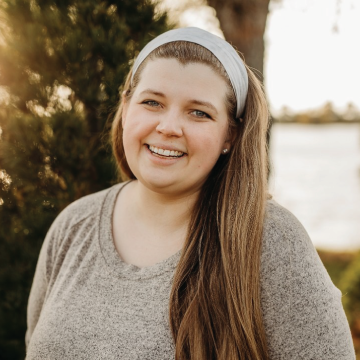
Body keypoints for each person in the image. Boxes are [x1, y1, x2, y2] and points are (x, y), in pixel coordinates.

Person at [25, 27, 355, 360]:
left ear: (230, 134)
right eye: (152, 102)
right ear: (126, 109)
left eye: (199, 112)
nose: (168, 127)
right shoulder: (73, 225)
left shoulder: (272, 242)